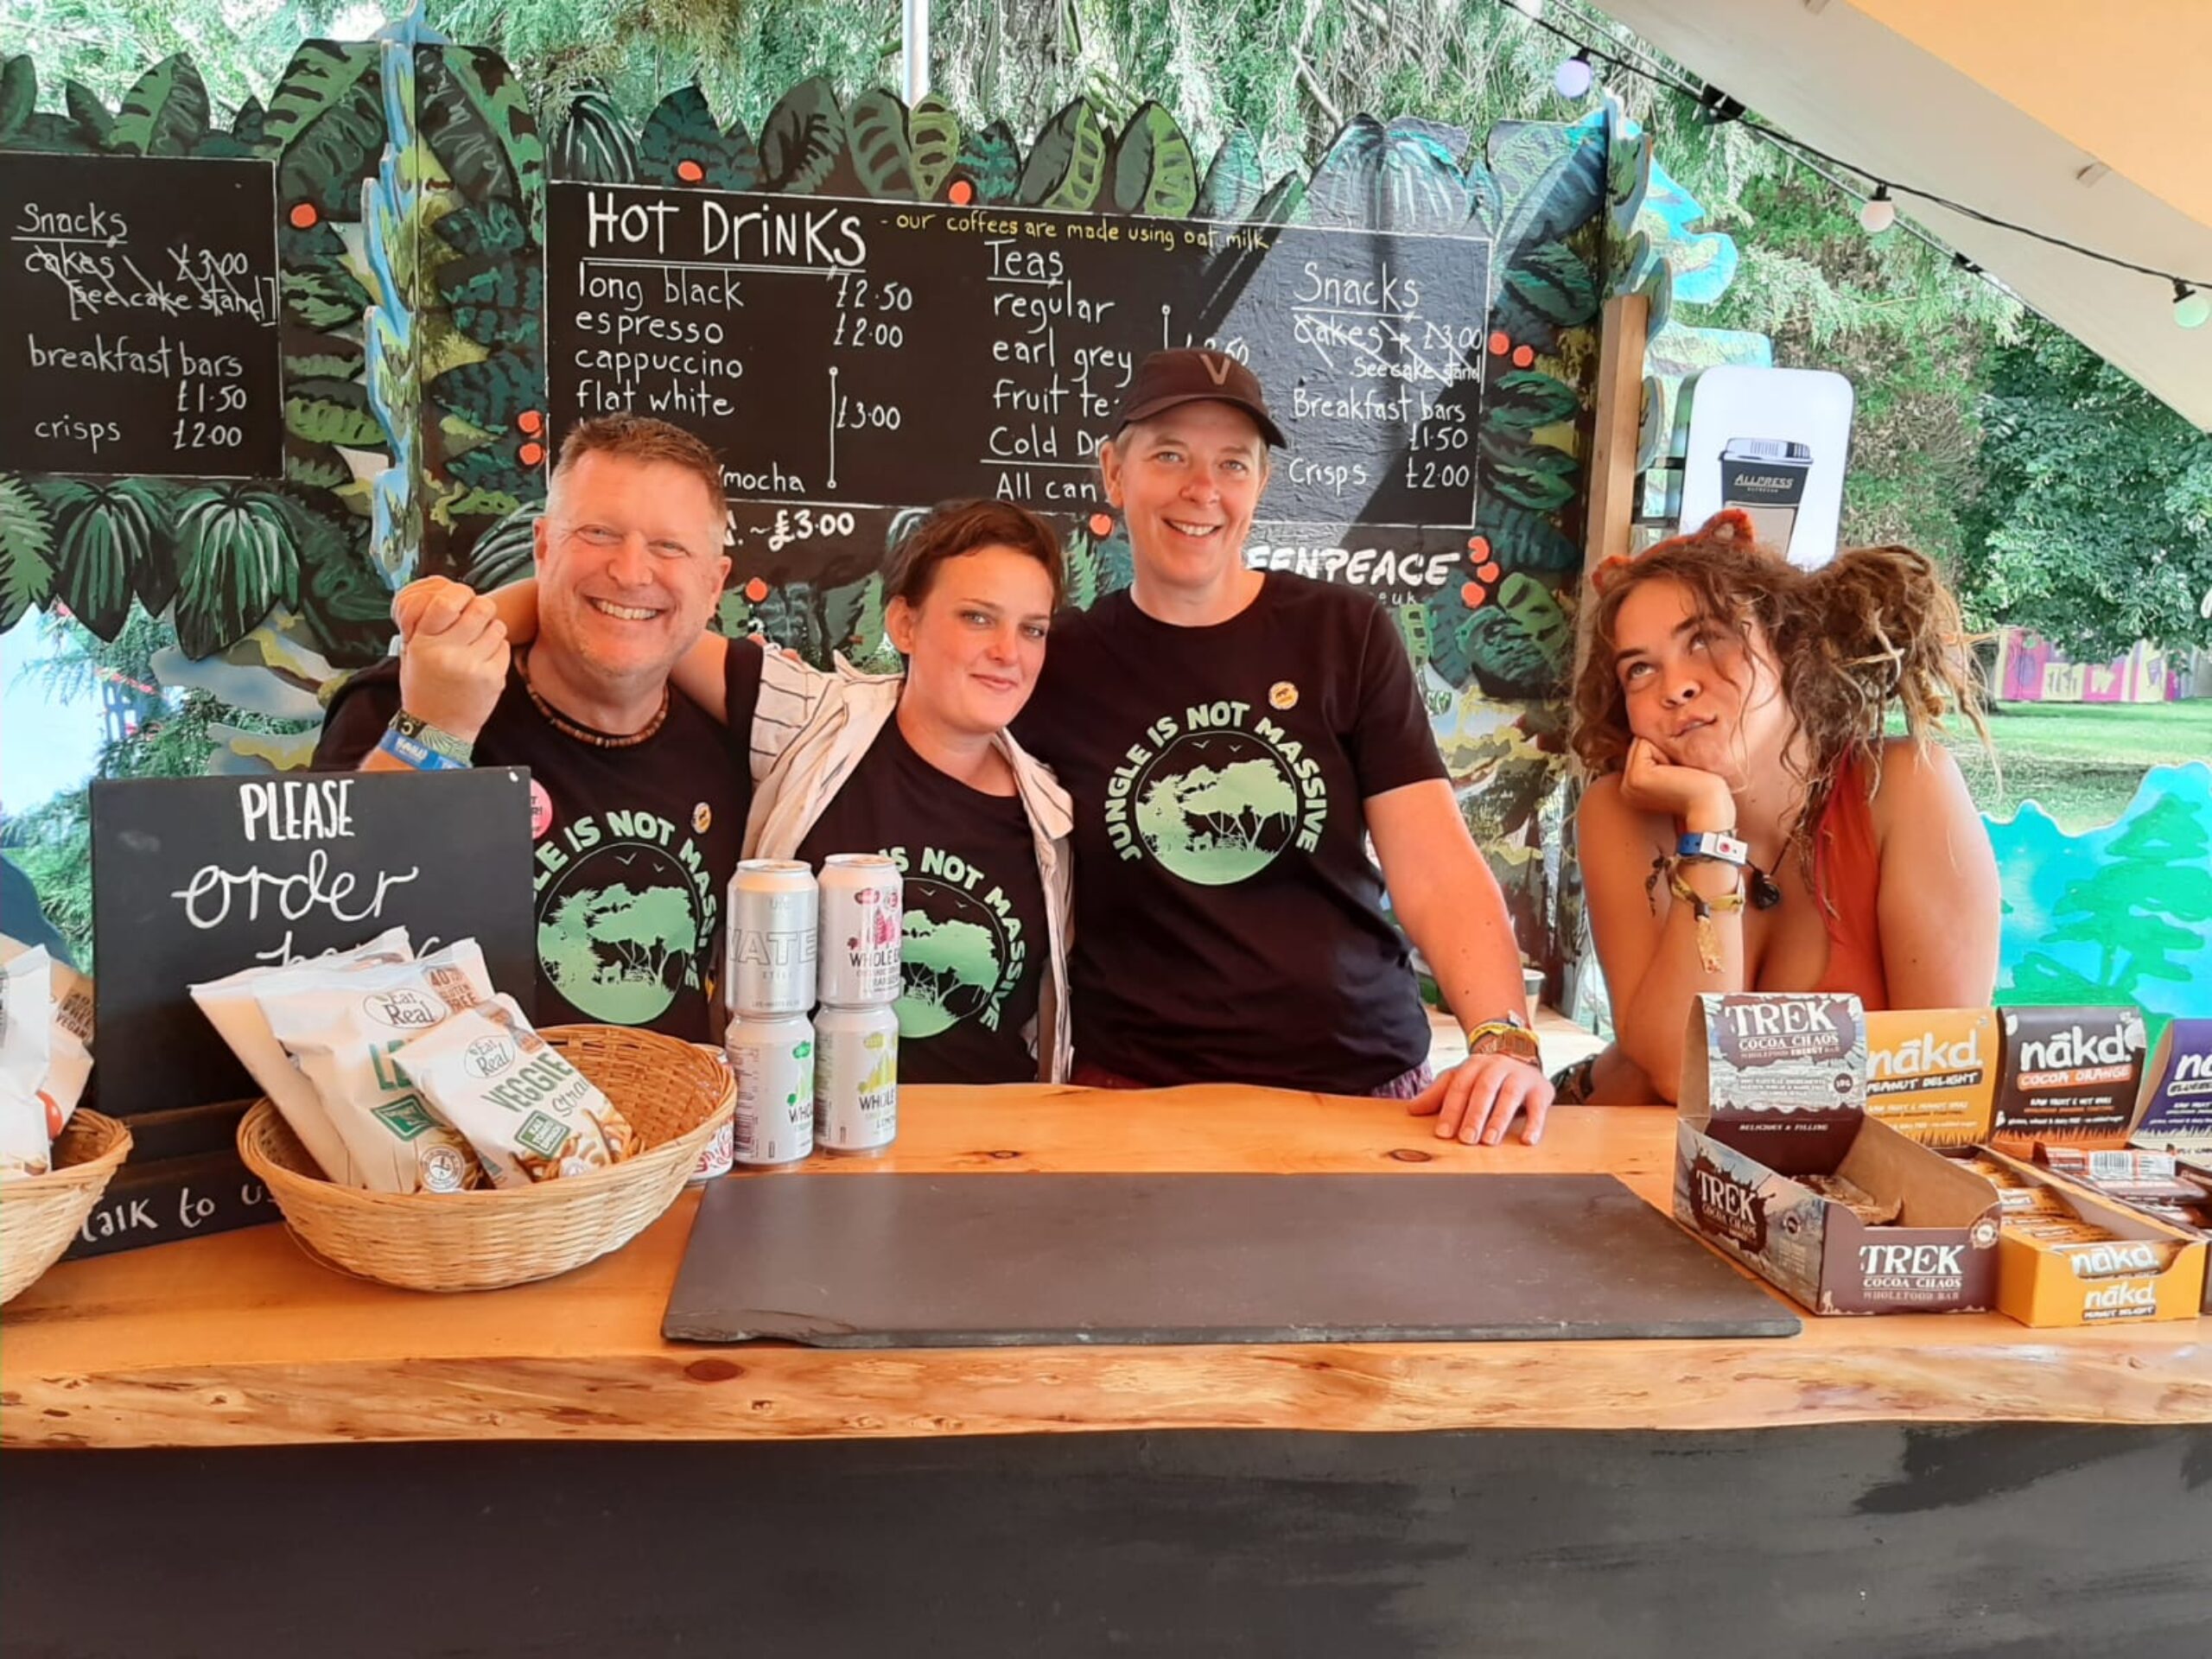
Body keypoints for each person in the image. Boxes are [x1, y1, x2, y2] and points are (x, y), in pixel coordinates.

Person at [1010, 348, 1554, 1145]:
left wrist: (1504, 1040)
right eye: (1170, 456)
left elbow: (1433, 865)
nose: (1203, 490)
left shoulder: (1345, 634)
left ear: (1260, 486)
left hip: (1362, 1086)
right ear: (1114, 474)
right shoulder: (1058, 664)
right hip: (1133, 1095)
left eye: (1233, 463)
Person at [416, 500, 1077, 1084]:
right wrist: (446, 629)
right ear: (904, 624)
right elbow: (640, 621)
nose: (1007, 652)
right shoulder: (809, 716)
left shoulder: (1053, 815)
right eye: (977, 618)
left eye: (1032, 629)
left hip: (991, 1146)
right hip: (800, 1137)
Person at [313, 414, 765, 1042]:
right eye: (599, 533)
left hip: (676, 1124)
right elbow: (325, 936)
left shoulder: (740, 741)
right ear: (544, 546)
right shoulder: (404, 701)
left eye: (670, 547)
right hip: (454, 1128)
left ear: (715, 583)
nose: (632, 572)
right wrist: (438, 730)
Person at [1563, 508, 2001, 1104]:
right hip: (1625, 1154)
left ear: (1789, 644)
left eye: (1707, 639)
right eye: (1640, 669)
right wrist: (1710, 826)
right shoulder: (1619, 811)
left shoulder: (1902, 789)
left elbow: (1941, 1077)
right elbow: (1679, 1073)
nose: (1676, 686)